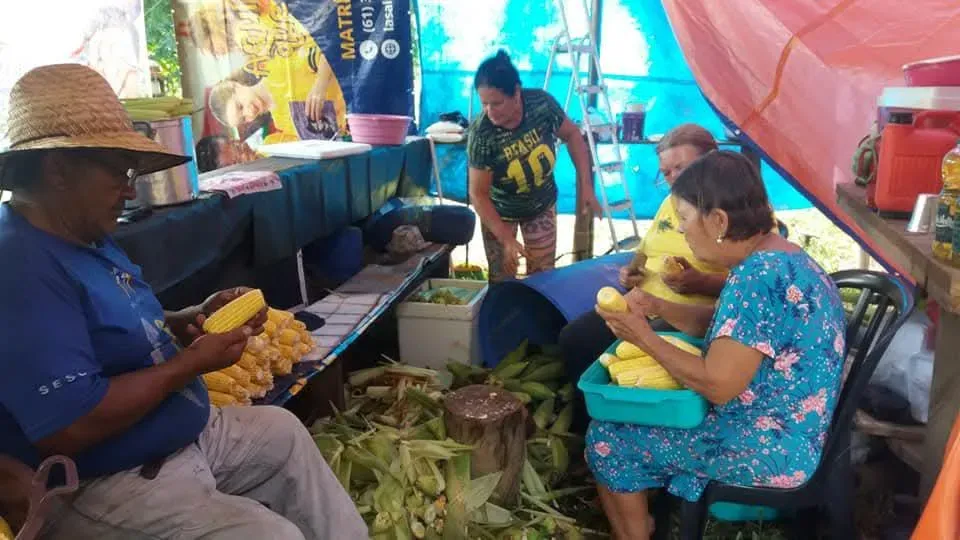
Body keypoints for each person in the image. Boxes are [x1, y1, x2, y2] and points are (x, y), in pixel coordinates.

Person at [0, 64, 366, 539]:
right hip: (103, 480)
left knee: (283, 434)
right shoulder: (19, 266)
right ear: (58, 171)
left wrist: (190, 318)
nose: (130, 189)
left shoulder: (84, 233)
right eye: (117, 173)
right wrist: (187, 366)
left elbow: (116, 330)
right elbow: (69, 424)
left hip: (177, 435)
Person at [587, 151, 847, 539]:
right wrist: (658, 307)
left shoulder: (755, 279)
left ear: (719, 221)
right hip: (798, 429)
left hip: (770, 447)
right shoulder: (781, 257)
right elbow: (732, 331)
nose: (684, 231)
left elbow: (719, 385)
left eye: (686, 219)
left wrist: (643, 335)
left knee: (607, 436)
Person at [558, 124, 725, 430]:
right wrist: (632, 271)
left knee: (620, 355)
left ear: (712, 161)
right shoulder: (670, 202)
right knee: (575, 337)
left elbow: (748, 284)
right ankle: (591, 427)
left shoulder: (732, 208)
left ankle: (627, 434)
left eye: (681, 168)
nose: (674, 178)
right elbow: (646, 250)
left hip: (688, 316)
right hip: (643, 301)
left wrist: (701, 282)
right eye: (666, 171)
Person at [467, 50, 601, 282]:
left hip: (541, 204)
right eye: (484, 104)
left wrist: (587, 187)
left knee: (543, 278)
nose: (490, 111)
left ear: (516, 92)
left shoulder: (541, 104)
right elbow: (478, 195)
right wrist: (506, 238)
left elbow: (572, 135)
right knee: (503, 282)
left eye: (496, 103)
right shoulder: (482, 133)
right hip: (499, 213)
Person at [188, 0, 346, 134]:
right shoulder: (281, 122)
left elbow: (328, 39)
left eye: (214, 49)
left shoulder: (272, 56)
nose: (221, 53)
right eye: (244, 119)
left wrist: (320, 84)